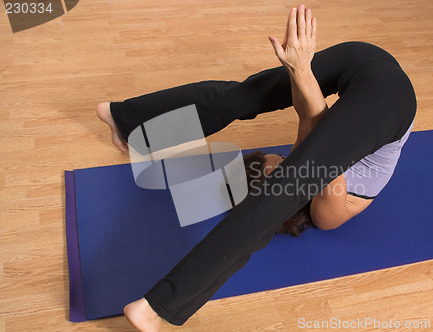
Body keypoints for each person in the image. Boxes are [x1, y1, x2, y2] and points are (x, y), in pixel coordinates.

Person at [97, 4, 416, 331]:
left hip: (363, 60)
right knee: (257, 118)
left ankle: (124, 119)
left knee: (246, 97)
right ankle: (156, 306)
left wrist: (297, 68)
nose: (281, 160)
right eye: (275, 170)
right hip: (393, 99)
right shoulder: (327, 216)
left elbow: (309, 118)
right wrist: (301, 70)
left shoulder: (303, 169)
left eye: (273, 162)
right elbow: (319, 131)